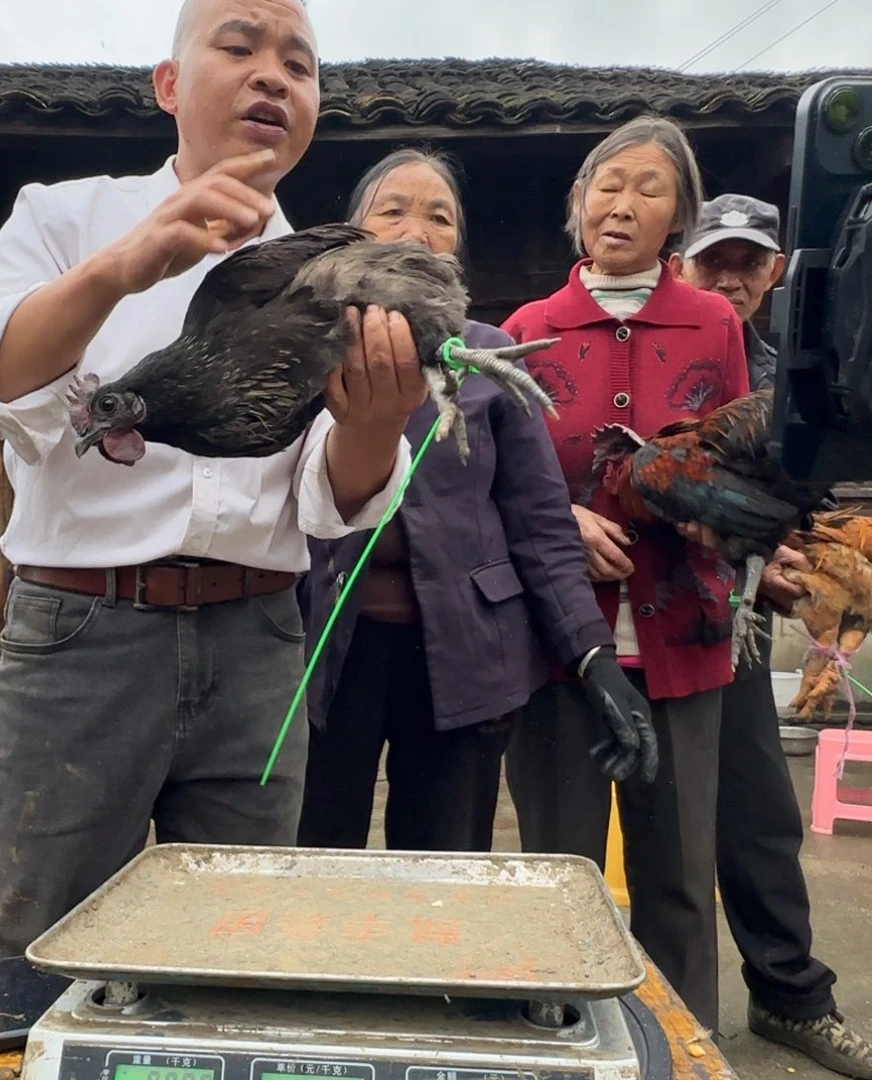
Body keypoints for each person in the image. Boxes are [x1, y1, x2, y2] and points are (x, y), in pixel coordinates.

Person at [0, 0, 429, 965]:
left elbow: (328, 496)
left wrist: (378, 419)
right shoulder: (67, 217)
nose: (272, 74)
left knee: (237, 961)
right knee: (49, 959)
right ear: (168, 83)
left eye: (300, 64)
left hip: (261, 641)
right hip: (81, 641)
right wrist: (123, 266)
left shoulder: (336, 267)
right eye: (239, 46)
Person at [296, 148, 652, 854]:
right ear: (354, 232)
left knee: (445, 871)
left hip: (466, 651)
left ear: (457, 246)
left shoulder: (491, 358)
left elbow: (542, 524)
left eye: (439, 217)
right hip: (323, 642)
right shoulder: (310, 346)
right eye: (392, 210)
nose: (416, 231)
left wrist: (594, 657)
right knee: (312, 860)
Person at [499, 115, 749, 1035]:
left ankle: (681, 1049)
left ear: (676, 215)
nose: (623, 202)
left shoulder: (713, 321)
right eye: (608, 182)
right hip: (559, 644)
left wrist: (708, 506)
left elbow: (738, 459)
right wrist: (562, 519)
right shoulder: (528, 330)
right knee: (559, 875)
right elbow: (496, 483)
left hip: (686, 634)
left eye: (650, 187)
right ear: (578, 203)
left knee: (679, 876)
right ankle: (560, 1040)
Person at [672, 193, 872, 1079]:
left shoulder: (796, 375)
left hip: (738, 624)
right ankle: (633, 1005)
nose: (729, 276)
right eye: (713, 259)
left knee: (756, 817)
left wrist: (780, 561)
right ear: (684, 265)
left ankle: (791, 995)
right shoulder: (661, 346)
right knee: (623, 829)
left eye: (747, 262)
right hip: (617, 619)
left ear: (776, 272)